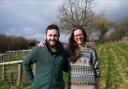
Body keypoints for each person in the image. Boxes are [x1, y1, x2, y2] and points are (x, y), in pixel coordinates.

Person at [22, 24, 68, 89]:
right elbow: (25, 63)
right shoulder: (38, 49)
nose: (52, 38)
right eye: (50, 35)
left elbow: (66, 68)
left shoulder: (63, 52)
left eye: (55, 35)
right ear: (46, 36)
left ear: (59, 36)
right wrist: (33, 82)